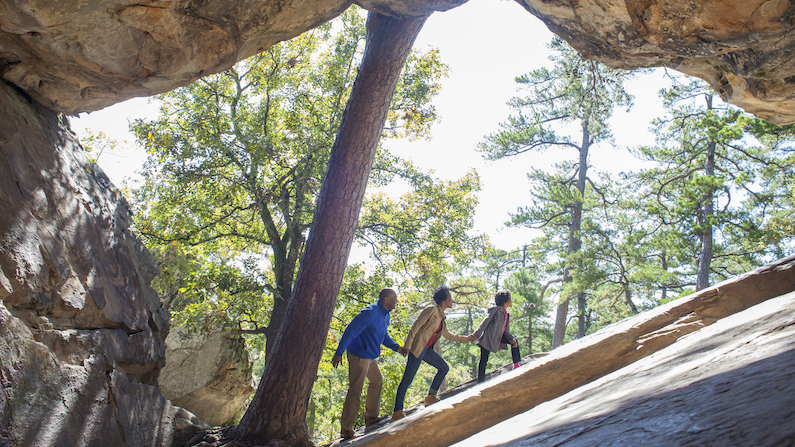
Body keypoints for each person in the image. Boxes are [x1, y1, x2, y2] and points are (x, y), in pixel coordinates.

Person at [391, 285, 475, 420]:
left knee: (444, 368)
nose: (452, 301)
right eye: (450, 298)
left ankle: (431, 397)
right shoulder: (431, 310)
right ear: (444, 300)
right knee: (407, 380)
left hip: (427, 350)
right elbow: (415, 327)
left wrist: (467, 339)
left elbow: (449, 335)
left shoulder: (441, 318)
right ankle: (397, 411)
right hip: (418, 348)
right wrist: (407, 346)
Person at [332, 288, 406, 439]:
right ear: (386, 299)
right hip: (359, 355)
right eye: (394, 299)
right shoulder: (370, 312)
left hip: (370, 356)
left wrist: (397, 348)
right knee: (355, 390)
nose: (396, 301)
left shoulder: (385, 315)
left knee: (377, 381)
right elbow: (350, 331)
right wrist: (339, 353)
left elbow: (383, 335)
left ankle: (371, 417)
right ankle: (346, 428)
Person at [473, 289, 521, 384]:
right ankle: (480, 381)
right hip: (488, 338)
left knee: (514, 341)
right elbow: (485, 321)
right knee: (483, 360)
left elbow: (506, 331)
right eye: (510, 299)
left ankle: (516, 364)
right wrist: (476, 334)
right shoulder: (497, 310)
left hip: (498, 337)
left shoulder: (507, 314)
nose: (511, 301)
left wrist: (511, 338)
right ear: (505, 301)